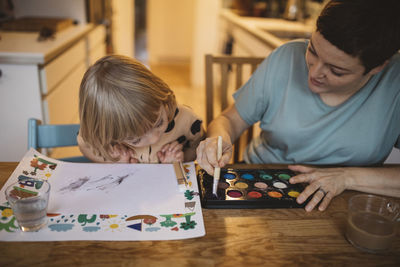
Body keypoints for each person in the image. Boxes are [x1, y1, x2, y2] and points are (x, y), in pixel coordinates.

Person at [196, 0, 400, 211]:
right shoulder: (285, 57)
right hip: (261, 181)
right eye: (312, 51)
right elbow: (229, 120)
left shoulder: (395, 82)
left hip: (350, 202)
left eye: (336, 71)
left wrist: (347, 178)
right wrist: (217, 140)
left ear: (378, 67)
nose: (314, 72)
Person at [78, 55, 205, 164]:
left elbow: (200, 146)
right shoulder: (108, 131)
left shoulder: (185, 119)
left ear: (160, 93)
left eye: (159, 122)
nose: (154, 138)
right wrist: (114, 161)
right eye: (136, 140)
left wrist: (182, 159)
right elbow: (84, 144)